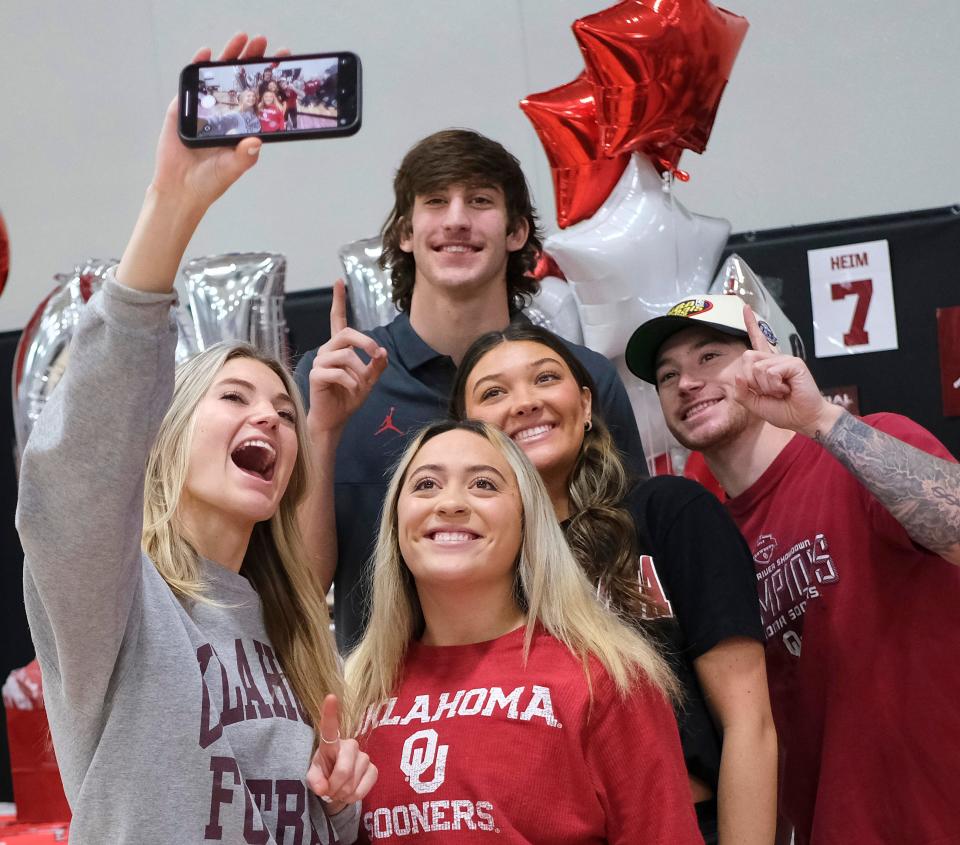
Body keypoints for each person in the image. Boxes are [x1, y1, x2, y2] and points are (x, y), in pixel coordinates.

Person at [15, 35, 375, 844]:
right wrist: (172, 207)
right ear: (168, 436)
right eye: (237, 397)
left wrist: (338, 806)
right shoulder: (110, 597)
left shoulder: (293, 634)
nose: (271, 421)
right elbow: (77, 471)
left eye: (285, 411)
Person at [624, 293, 960, 844]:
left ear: (764, 353)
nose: (686, 382)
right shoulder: (705, 539)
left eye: (709, 357)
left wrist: (821, 419)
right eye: (667, 375)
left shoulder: (862, 447)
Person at [294, 129, 647, 650]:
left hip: (554, 704)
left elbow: (632, 568)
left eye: (480, 201)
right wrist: (322, 432)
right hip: (386, 712)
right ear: (405, 234)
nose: (457, 219)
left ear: (517, 232)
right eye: (436, 201)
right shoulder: (332, 381)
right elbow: (300, 588)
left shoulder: (580, 383)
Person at [450, 324, 777, 845]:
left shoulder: (667, 514)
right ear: (466, 432)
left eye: (545, 379)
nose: (526, 402)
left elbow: (749, 723)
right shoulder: (466, 566)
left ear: (583, 404)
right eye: (494, 392)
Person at [346, 419, 702, 843]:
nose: (451, 503)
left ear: (525, 520)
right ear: (396, 521)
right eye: (425, 485)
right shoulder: (357, 690)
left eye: (483, 484)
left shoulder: (607, 676)